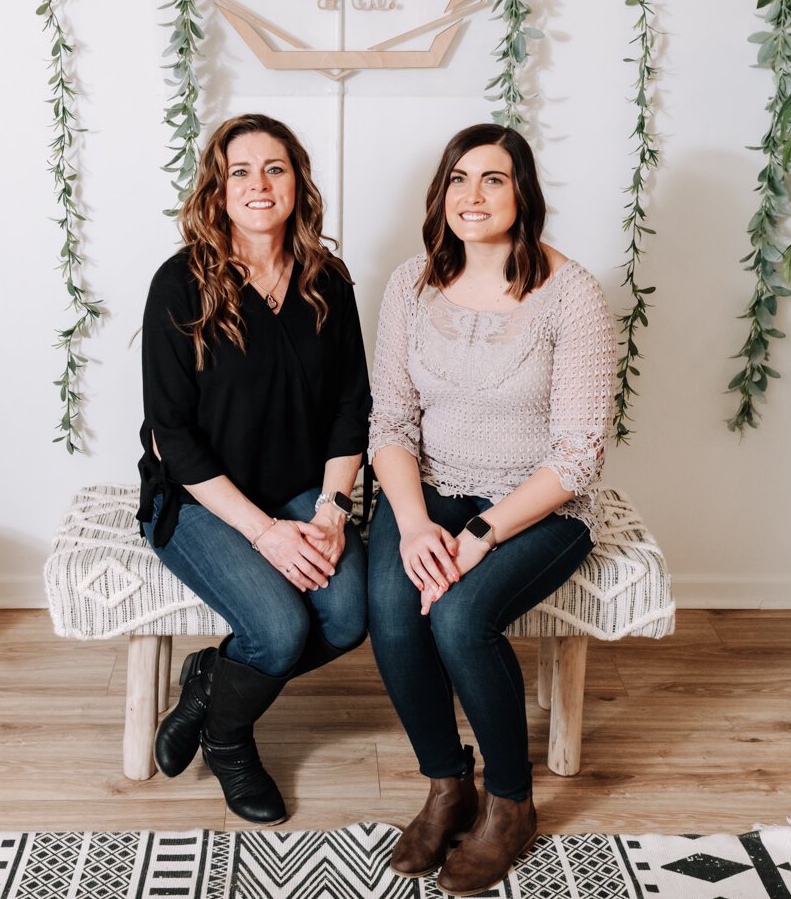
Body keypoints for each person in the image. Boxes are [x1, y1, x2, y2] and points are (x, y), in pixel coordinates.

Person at [367, 123, 616, 894]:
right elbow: (390, 424)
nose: (472, 196)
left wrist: (481, 532)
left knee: (458, 617)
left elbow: (579, 453)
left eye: (494, 180)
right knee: (389, 597)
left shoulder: (571, 295)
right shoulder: (409, 286)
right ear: (441, 194)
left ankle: (511, 803)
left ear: (524, 193)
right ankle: (449, 786)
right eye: (458, 180)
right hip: (428, 488)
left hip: (543, 505)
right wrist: (413, 525)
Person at [138, 113, 371, 825]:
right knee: (276, 630)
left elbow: (351, 407)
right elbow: (171, 437)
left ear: (297, 183)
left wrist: (331, 511)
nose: (259, 184)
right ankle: (231, 738)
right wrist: (265, 532)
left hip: (305, 491)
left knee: (350, 614)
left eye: (275, 168)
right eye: (241, 170)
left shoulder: (327, 281)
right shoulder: (180, 285)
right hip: (200, 502)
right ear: (218, 189)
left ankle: (209, 683)